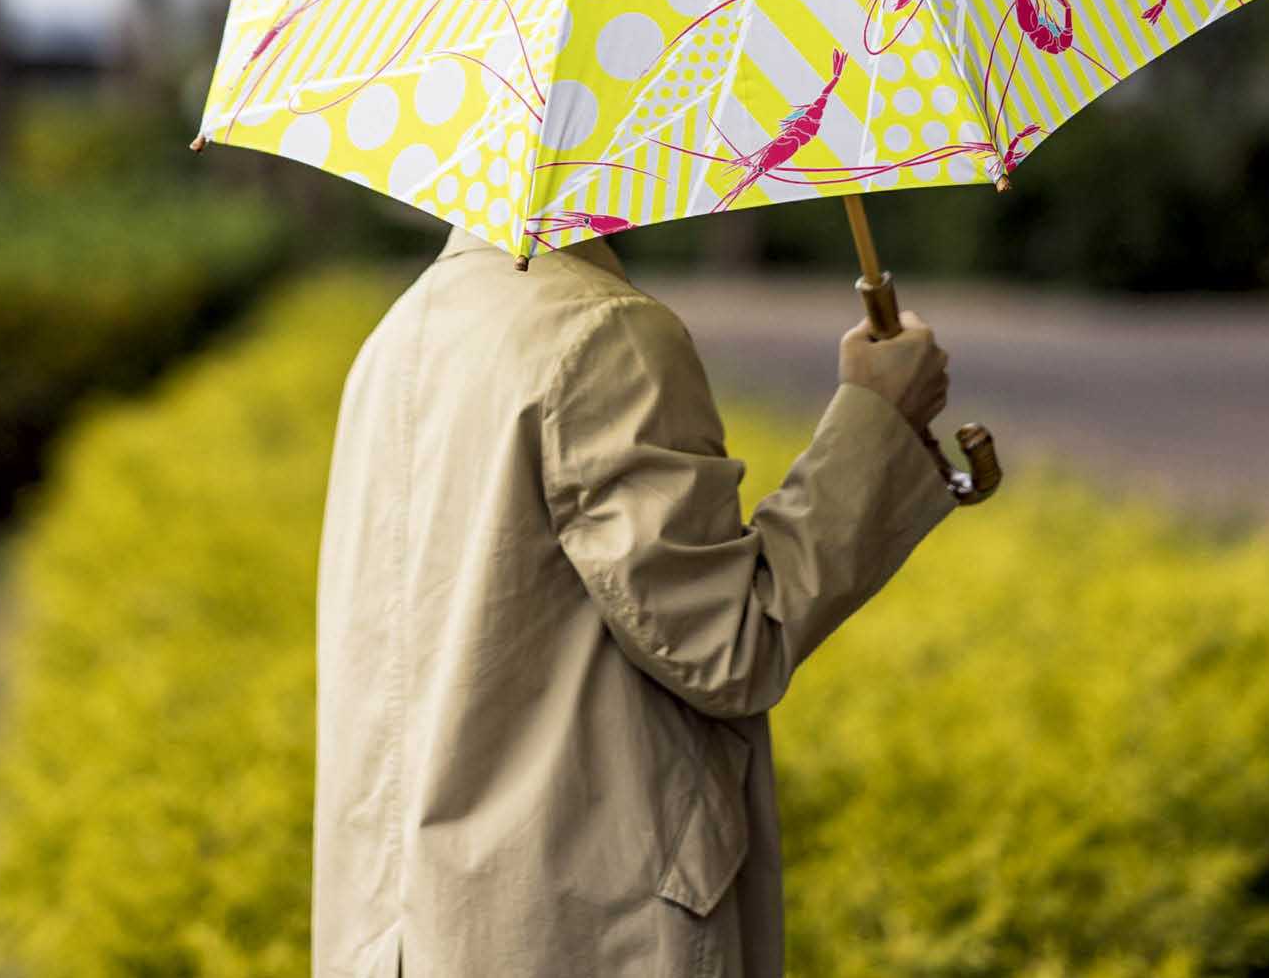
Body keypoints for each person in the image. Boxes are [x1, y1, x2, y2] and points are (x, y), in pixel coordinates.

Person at [312, 223, 962, 977]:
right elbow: (730, 640)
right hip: (583, 927)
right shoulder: (604, 334)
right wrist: (877, 418)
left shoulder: (400, 336)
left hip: (407, 935)